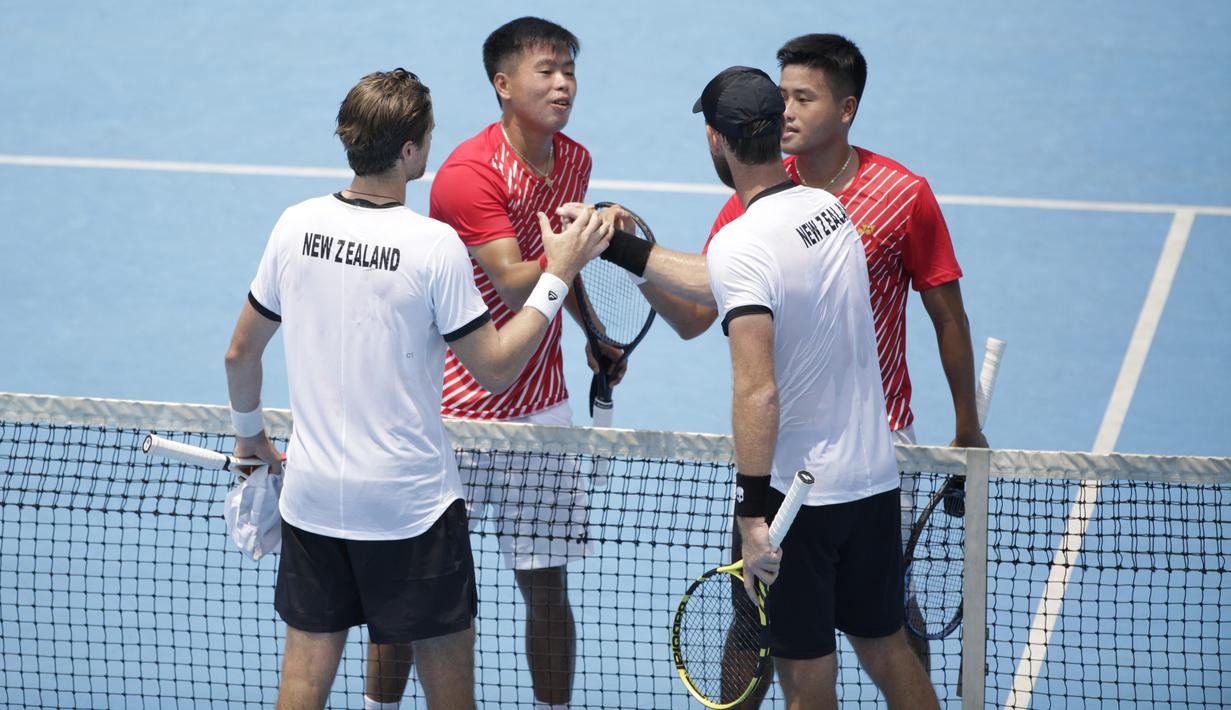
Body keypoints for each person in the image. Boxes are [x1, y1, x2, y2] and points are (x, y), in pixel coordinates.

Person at [223, 68, 611, 710]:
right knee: (450, 689)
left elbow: (240, 354)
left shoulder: (293, 227)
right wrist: (559, 273)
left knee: (301, 684)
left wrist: (249, 440)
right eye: (427, 134)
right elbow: (495, 368)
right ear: (409, 150)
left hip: (314, 501)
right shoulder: (432, 246)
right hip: (411, 510)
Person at [636, 34, 986, 692]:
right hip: (869, 470)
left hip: (799, 487)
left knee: (806, 670)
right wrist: (629, 257)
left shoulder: (774, 227)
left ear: (716, 140)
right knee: (881, 643)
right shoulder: (828, 212)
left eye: (805, 95)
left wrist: (750, 514)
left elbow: (756, 389)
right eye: (784, 97)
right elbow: (705, 296)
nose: (793, 108)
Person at [424, 17, 620, 710]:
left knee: (546, 588)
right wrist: (587, 244)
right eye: (546, 70)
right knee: (421, 592)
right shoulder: (467, 175)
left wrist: (594, 334)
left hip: (541, 412)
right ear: (503, 85)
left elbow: (560, 271)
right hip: (457, 412)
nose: (563, 81)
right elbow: (515, 281)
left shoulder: (573, 159)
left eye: (569, 68)